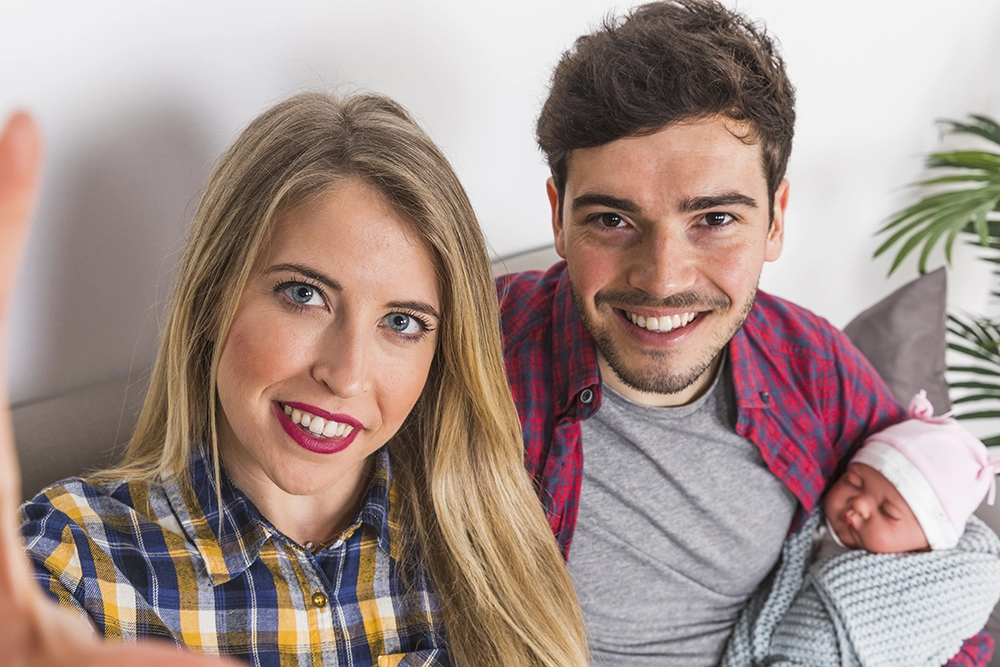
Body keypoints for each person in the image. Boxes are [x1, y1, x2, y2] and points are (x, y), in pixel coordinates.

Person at [494, 1, 993, 664]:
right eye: (613, 219)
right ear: (558, 217)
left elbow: (942, 587)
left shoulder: (815, 367)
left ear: (776, 219)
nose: (662, 278)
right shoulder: (474, 342)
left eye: (715, 219)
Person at [12, 93, 588, 666]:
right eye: (304, 295)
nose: (347, 375)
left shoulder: (489, 545)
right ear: (214, 296)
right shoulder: (73, 555)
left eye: (402, 322)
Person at [723, 390, 1000, 666]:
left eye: (887, 512)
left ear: (926, 545)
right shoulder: (810, 527)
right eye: (854, 482)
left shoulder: (925, 586)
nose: (859, 505)